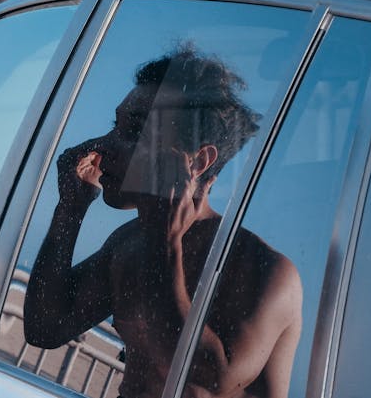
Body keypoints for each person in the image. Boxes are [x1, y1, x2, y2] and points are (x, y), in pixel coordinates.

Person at [24, 48, 303, 398]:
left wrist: (164, 245)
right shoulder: (129, 244)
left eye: (134, 131)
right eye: (116, 125)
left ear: (198, 161)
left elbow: (209, 379)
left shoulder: (263, 269)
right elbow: (44, 328)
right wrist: (71, 209)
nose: (103, 146)